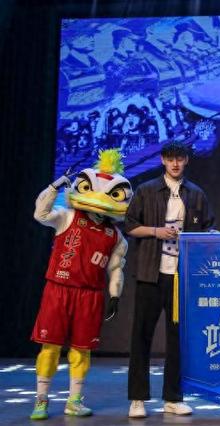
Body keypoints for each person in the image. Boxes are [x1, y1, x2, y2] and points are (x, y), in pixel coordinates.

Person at [29, 149, 130, 420]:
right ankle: (41, 400)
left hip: (90, 294)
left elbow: (116, 269)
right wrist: (55, 186)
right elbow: (40, 213)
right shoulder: (67, 217)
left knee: (82, 349)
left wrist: (115, 295)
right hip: (58, 289)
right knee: (49, 347)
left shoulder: (116, 236)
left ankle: (74, 400)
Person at [125, 141, 214, 418]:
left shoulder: (196, 193)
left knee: (178, 339)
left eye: (180, 159)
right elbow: (130, 226)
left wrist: (216, 237)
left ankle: (173, 398)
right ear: (163, 160)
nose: (175, 164)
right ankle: (138, 399)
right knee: (142, 336)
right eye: (170, 159)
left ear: (186, 161)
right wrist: (156, 231)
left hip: (181, 276)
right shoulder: (146, 190)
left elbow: (208, 229)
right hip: (150, 274)